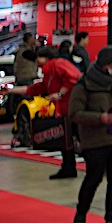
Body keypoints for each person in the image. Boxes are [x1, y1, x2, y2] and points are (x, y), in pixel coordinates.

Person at [67, 46, 112, 223]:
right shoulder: (84, 85)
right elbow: (74, 113)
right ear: (106, 65)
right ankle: (81, 212)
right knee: (93, 178)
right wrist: (99, 118)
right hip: (95, 140)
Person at [9, 44, 80, 178]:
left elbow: (74, 79)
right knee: (66, 139)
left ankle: (81, 167)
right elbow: (36, 89)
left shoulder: (58, 64)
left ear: (47, 57)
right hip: (66, 110)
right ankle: (68, 168)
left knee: (75, 138)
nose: (36, 60)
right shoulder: (49, 72)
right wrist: (11, 90)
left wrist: (59, 94)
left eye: (39, 56)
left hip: (74, 108)